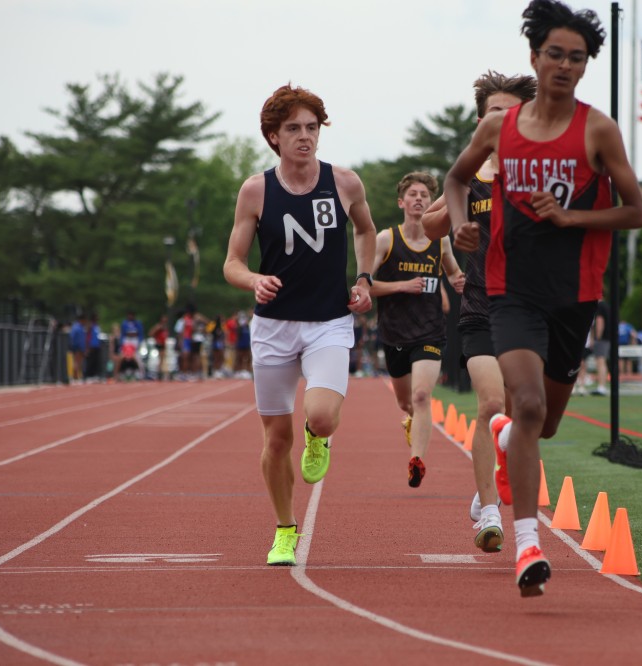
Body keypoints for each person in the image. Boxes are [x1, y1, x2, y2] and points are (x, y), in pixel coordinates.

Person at [444, 0, 642, 596]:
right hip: (511, 290)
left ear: (585, 66)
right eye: (555, 54)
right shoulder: (498, 129)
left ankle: (508, 436)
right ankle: (528, 545)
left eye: (576, 57)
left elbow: (635, 211)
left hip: (574, 295)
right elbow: (456, 180)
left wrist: (570, 216)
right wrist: (460, 226)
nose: (565, 65)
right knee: (527, 403)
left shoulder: (597, 130)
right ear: (535, 57)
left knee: (544, 423)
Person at [223, 83, 375, 567]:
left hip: (329, 321)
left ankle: (317, 434)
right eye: (293, 129)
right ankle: (285, 530)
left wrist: (365, 279)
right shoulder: (256, 190)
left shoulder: (344, 182)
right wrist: (254, 280)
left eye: (312, 127)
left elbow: (366, 230)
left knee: (322, 415)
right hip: (274, 327)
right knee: (275, 440)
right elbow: (231, 263)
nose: (305, 136)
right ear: (274, 136)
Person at [422, 70, 537, 551]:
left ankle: (487, 479)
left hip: (529, 311)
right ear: (480, 121)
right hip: (480, 308)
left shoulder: (539, 171)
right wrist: (457, 207)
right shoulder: (467, 177)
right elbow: (429, 229)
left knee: (520, 413)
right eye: (494, 113)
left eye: (511, 113)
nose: (503, 120)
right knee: (490, 406)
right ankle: (490, 514)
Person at [370, 171, 465, 489]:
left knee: (422, 395)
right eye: (413, 194)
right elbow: (365, 285)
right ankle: (411, 421)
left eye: (425, 195)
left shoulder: (441, 240)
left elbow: (454, 274)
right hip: (394, 333)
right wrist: (401, 285)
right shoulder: (386, 240)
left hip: (430, 331)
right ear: (401, 202)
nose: (419, 199)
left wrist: (460, 282)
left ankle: (417, 460)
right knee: (406, 402)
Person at [590, 299, 610, 395]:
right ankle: (602, 386)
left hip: (601, 338)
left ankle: (601, 386)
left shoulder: (600, 306)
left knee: (600, 362)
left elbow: (599, 321)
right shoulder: (607, 306)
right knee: (603, 362)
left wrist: (597, 338)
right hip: (608, 338)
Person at [69, 313, 87, 383]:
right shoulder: (77, 327)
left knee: (79, 362)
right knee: (77, 362)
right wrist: (76, 346)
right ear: (81, 320)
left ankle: (76, 376)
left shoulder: (80, 327)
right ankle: (75, 377)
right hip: (77, 347)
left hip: (80, 347)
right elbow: (73, 338)